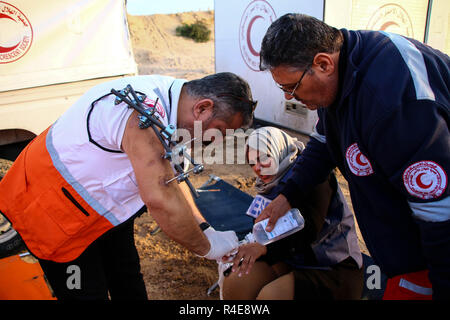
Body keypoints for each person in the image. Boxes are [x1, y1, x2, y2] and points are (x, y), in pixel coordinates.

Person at [0, 72, 257, 300]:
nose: (216, 141)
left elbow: (173, 179)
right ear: (202, 108)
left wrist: (205, 227)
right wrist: (207, 247)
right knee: (86, 291)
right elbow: (161, 197)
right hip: (55, 213)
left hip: (103, 208)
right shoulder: (141, 114)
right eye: (220, 130)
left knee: (127, 278)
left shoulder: (177, 108)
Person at [257, 13, 449, 300]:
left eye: (291, 88)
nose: (288, 98)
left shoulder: (396, 104)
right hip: (403, 255)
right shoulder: (340, 71)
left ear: (323, 64)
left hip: (431, 254)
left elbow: (441, 210)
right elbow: (323, 143)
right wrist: (288, 195)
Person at [221, 126, 363, 300]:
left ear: (278, 150)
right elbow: (262, 229)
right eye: (252, 163)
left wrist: (264, 249)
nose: (258, 168)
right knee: (237, 282)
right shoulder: (267, 185)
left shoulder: (311, 175)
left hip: (331, 267)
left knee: (271, 296)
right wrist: (242, 246)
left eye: (264, 158)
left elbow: (309, 231)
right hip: (291, 259)